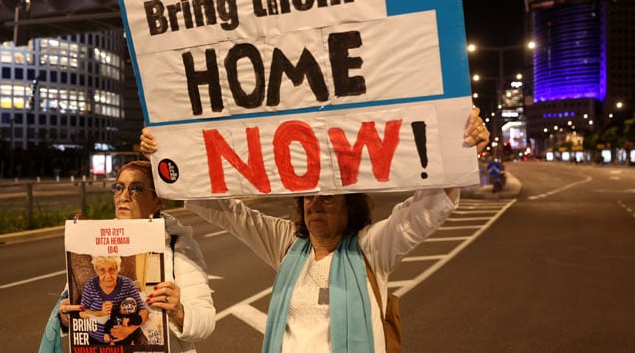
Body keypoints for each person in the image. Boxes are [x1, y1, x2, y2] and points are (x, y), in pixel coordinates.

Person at [139, 108, 490, 352]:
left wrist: (461, 149)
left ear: (350, 206)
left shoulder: (370, 248)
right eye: (308, 197)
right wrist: (168, 155)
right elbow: (229, 213)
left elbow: (420, 215)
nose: (315, 205)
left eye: (327, 198)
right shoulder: (288, 245)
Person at [39, 160, 216, 353]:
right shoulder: (95, 241)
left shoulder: (178, 245)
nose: (124, 196)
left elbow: (205, 322)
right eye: (119, 188)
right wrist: (66, 316)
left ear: (159, 199)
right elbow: (75, 310)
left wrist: (179, 312)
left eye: (136, 189)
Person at [77, 255, 149, 345]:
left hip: (124, 342)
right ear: (96, 270)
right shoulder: (91, 285)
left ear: (117, 269)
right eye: (102, 270)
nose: (107, 276)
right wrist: (100, 313)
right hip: (96, 341)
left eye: (112, 270)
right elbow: (82, 312)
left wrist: (129, 330)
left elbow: (144, 310)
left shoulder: (127, 284)